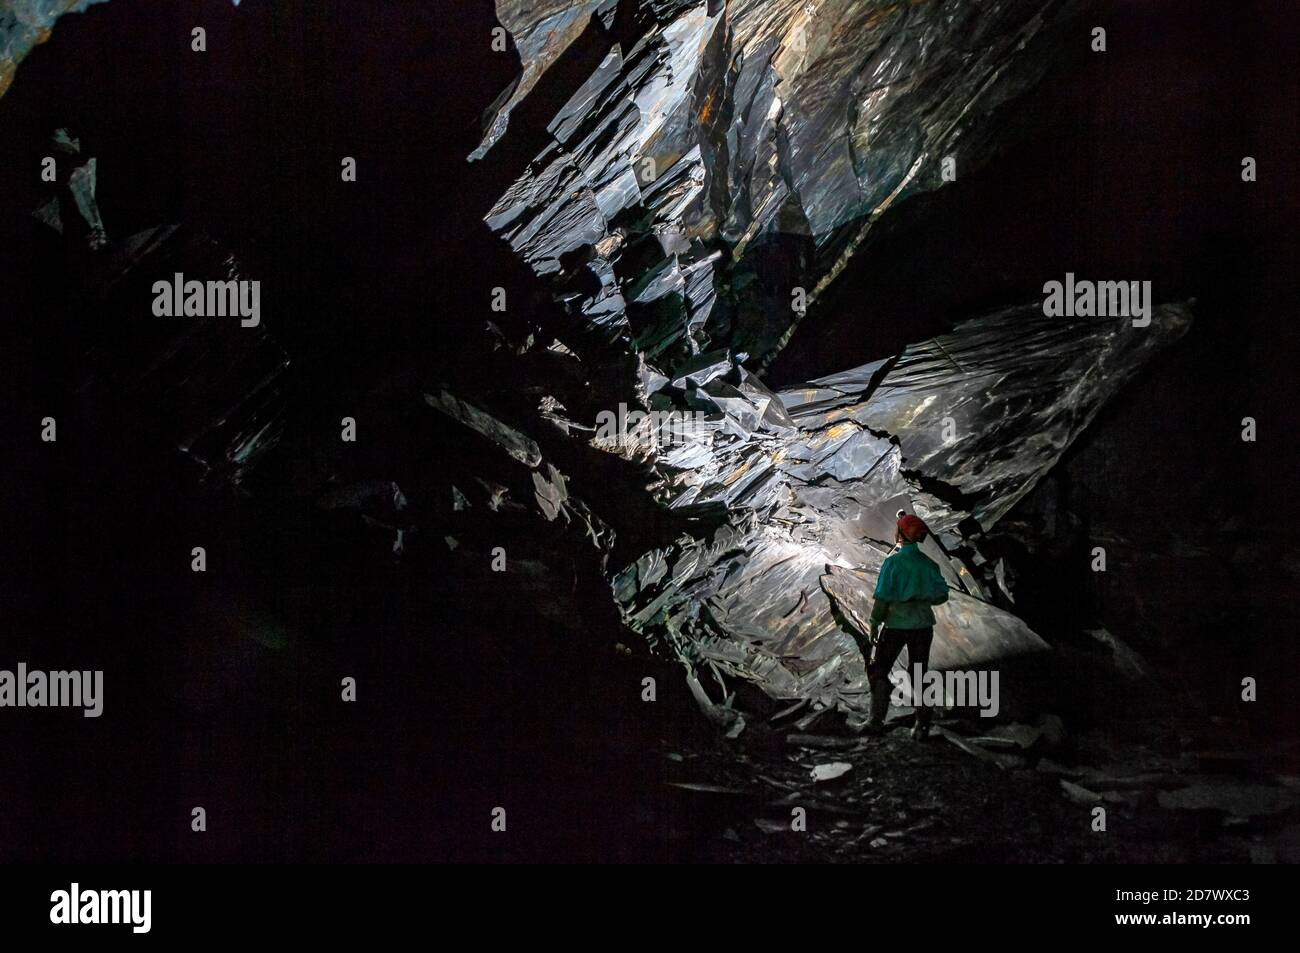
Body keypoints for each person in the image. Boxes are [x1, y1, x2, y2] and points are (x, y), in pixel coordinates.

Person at [861, 512, 950, 739]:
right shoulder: (929, 564)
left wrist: (873, 623)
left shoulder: (893, 563)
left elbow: (882, 598)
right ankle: (922, 726)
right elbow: (941, 596)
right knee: (920, 673)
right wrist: (922, 597)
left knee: (880, 669)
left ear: (900, 534)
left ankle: (876, 721)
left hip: (896, 625)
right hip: (922, 625)